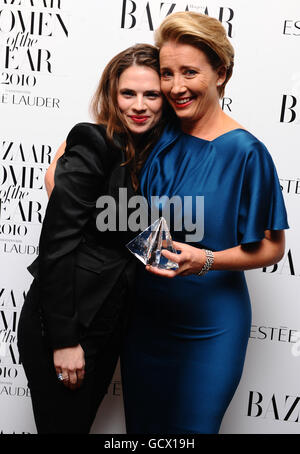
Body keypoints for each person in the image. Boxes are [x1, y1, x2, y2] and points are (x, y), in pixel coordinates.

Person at [120, 12, 289, 434]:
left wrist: (207, 259)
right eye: (167, 73)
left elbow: (272, 246)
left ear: (221, 74)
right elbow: (82, 147)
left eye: (190, 72)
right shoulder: (158, 130)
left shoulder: (246, 151)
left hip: (210, 328)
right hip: (143, 322)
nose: (176, 86)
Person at [17, 43, 169, 434]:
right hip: (66, 325)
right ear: (112, 96)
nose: (139, 105)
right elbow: (58, 244)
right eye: (128, 93)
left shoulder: (153, 156)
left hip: (108, 324)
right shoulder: (93, 141)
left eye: (151, 94)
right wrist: (65, 342)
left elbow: (146, 245)